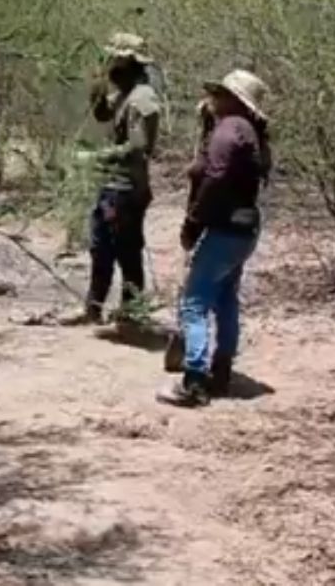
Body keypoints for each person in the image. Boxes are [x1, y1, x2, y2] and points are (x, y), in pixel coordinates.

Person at [157, 69, 271, 408]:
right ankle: (221, 371)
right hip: (243, 231)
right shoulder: (248, 132)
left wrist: (194, 221)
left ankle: (194, 381)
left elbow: (216, 177)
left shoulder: (229, 130)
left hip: (223, 230)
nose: (212, 99)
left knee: (194, 303)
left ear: (234, 99)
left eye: (219, 94)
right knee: (225, 299)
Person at [67, 33, 161, 324]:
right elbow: (102, 114)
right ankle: (94, 307)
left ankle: (131, 314)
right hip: (112, 185)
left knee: (127, 252)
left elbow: (138, 146)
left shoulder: (142, 97)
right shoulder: (125, 92)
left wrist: (95, 157)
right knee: (101, 249)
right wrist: (97, 82)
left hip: (127, 189)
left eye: (114, 59)